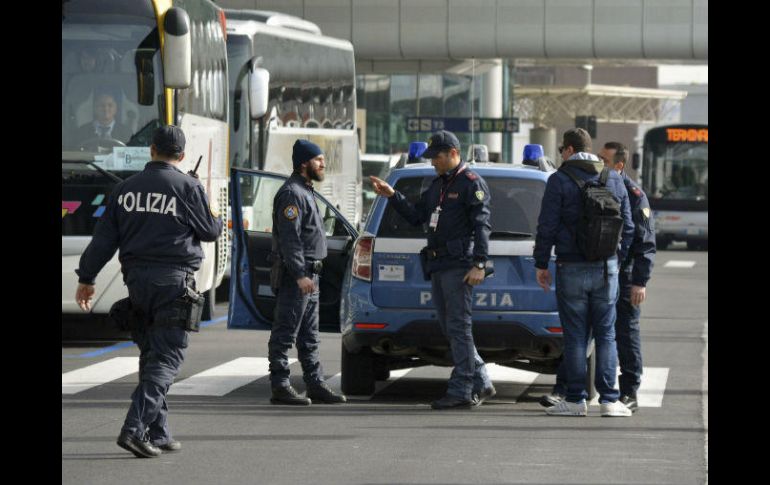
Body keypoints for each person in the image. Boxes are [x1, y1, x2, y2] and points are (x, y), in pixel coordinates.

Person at [74, 125, 223, 458]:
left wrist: (87, 278)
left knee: (152, 353)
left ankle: (158, 431)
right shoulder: (189, 187)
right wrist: (206, 198)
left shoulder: (124, 189)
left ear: (151, 150)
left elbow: (103, 240)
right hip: (174, 282)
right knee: (167, 357)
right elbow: (211, 232)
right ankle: (134, 429)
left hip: (137, 282)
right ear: (182, 156)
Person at [370, 130, 496, 410]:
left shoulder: (471, 183)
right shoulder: (438, 184)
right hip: (438, 265)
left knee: (459, 327)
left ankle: (462, 389)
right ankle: (481, 379)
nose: (433, 162)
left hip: (459, 265)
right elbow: (417, 216)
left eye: (436, 156)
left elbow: (482, 225)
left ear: (453, 153)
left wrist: (479, 263)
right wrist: (393, 196)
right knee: (450, 327)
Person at [540, 142, 656, 413]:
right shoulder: (614, 181)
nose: (601, 162)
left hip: (578, 267)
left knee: (580, 335)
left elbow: (547, 225)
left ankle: (580, 398)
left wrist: (541, 263)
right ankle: (607, 399)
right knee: (605, 335)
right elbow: (628, 228)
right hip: (607, 269)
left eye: (607, 159)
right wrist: (615, 258)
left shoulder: (560, 180)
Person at [268, 139, 347, 406]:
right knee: (285, 333)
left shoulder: (305, 190)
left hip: (311, 276)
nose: (323, 164)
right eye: (318, 160)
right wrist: (300, 274)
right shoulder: (292, 194)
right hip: (297, 277)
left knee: (309, 336)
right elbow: (290, 239)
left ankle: (315, 384)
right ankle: (280, 385)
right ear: (304, 163)